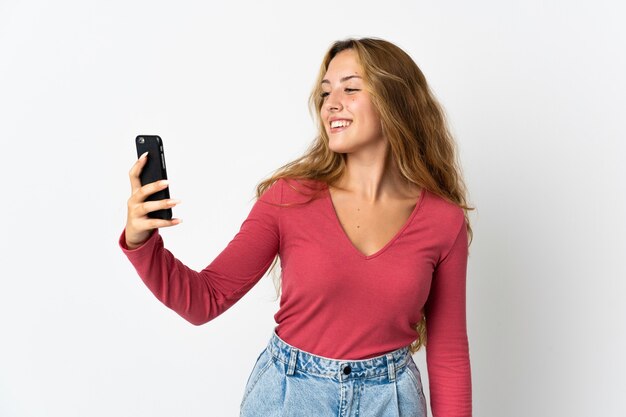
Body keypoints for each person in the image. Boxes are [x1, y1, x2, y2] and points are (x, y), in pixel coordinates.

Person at [120, 37, 474, 417]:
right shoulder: (288, 198)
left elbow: (448, 353)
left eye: (351, 88)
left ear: (396, 99)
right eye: (325, 93)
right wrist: (143, 243)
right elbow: (204, 301)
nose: (331, 103)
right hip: (290, 397)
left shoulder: (443, 221)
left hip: (391, 402)